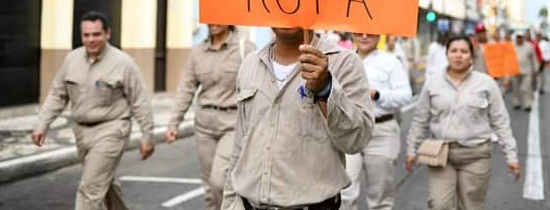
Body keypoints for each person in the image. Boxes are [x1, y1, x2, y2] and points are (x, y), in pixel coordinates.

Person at [221, 28, 374, 210]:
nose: (287, 6)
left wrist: (325, 88)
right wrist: (229, 202)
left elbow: (356, 140)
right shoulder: (250, 64)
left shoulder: (344, 62)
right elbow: (240, 145)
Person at [32, 11, 155, 210]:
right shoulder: (71, 60)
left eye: (96, 34)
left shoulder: (123, 63)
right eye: (86, 35)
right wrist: (42, 124)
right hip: (81, 132)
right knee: (103, 184)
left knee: (89, 189)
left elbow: (139, 100)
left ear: (108, 34)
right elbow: (57, 94)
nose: (91, 40)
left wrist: (147, 136)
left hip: (112, 130)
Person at [405, 35, 520, 210]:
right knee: (439, 204)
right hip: (441, 154)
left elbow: (501, 121)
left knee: (471, 206)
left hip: (476, 155)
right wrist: (411, 150)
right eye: (454, 51)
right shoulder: (433, 83)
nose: (458, 55)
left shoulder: (486, 83)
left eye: (464, 51)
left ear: (471, 56)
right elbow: (420, 120)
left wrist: (511, 156)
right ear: (447, 54)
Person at [166, 25, 255, 210]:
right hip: (204, 124)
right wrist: (174, 122)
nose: (213, 22)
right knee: (208, 184)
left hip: (233, 122)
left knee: (220, 181)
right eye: (209, 18)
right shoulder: (198, 52)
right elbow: (186, 88)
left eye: (218, 17)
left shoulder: (245, 48)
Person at [341, 33, 412, 210]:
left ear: (378, 35)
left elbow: (405, 96)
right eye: (359, 32)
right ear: (352, 34)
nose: (364, 36)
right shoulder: (342, 60)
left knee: (380, 194)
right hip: (349, 131)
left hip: (381, 130)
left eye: (370, 33)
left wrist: (378, 94)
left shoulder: (391, 61)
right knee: (344, 192)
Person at [513, 32, 538, 111]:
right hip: (514, 71)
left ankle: (527, 104)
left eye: (520, 37)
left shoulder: (529, 46)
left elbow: (534, 58)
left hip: (527, 71)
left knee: (526, 88)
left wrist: (536, 69)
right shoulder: (512, 46)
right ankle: (516, 102)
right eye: (518, 37)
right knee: (516, 88)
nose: (519, 38)